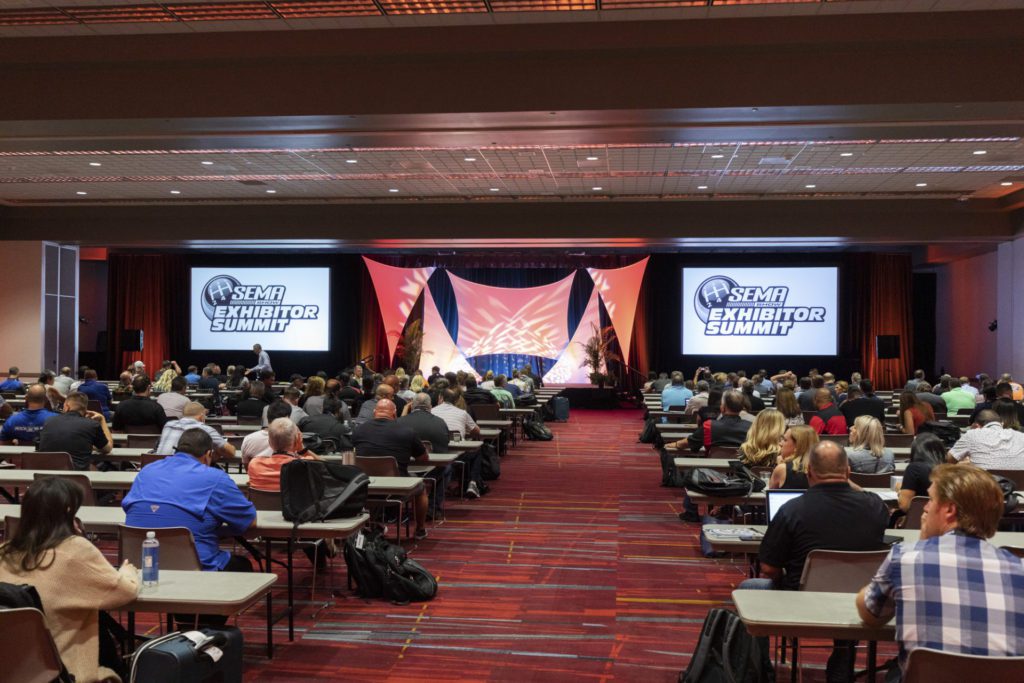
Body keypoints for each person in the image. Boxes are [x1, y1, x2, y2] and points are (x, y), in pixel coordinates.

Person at [857, 464, 1024, 677]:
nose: (925, 508)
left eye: (931, 500)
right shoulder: (1020, 570)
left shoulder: (906, 557)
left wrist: (923, 545)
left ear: (949, 510)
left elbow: (871, 614)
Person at [747, 442, 889, 682]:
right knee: (847, 583)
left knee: (750, 589)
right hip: (859, 602)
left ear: (809, 471)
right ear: (848, 472)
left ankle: (761, 671)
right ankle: (842, 663)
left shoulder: (792, 510)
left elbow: (768, 568)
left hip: (800, 601)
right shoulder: (876, 506)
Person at [0, 477, 139, 682]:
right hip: (64, 672)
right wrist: (128, 572)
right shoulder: (75, 550)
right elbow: (124, 591)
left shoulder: (4, 551)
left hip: (12, 670)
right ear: (68, 513)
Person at [124, 428, 255, 572]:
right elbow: (250, 521)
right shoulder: (215, 478)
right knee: (243, 565)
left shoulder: (147, 470)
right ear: (208, 455)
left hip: (141, 564)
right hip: (196, 567)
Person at [351, 398, 430, 539]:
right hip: (398, 489)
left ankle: (374, 525)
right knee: (421, 487)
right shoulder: (407, 432)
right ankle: (420, 529)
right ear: (394, 414)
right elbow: (423, 459)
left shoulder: (358, 430)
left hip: (366, 486)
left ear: (374, 413)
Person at [37, 392, 113, 470]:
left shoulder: (48, 421)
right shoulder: (92, 425)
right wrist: (102, 419)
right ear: (85, 410)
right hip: (76, 477)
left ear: (66, 407)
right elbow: (107, 448)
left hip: (46, 474)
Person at [155, 401, 236, 461]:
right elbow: (231, 452)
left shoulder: (168, 424)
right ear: (202, 416)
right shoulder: (206, 429)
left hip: (160, 465)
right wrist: (218, 452)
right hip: (185, 470)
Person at [677, 390, 751, 453]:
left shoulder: (708, 425)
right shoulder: (751, 427)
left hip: (712, 469)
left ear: (722, 408)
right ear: (741, 408)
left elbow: (687, 443)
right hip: (742, 468)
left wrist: (672, 444)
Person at [948, 409, 1024, 470]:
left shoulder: (972, 434)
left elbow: (948, 461)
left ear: (977, 426)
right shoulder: (1021, 436)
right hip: (1020, 487)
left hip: (984, 487)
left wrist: (965, 462)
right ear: (1002, 424)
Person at [897, 432, 946, 512]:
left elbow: (904, 505)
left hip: (917, 521)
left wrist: (899, 491)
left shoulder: (913, 469)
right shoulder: (949, 471)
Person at [242, 400, 295, 465]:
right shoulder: (295, 439)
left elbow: (248, 468)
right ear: (288, 418)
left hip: (256, 473)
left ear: (267, 417)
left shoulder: (249, 439)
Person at [768, 424, 819, 490]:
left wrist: (780, 465)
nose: (780, 443)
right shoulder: (823, 469)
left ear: (798, 446)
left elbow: (771, 496)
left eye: (785, 440)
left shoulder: (782, 469)